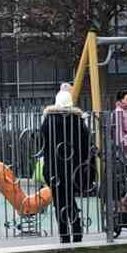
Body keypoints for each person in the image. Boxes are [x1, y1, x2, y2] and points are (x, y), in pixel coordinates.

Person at [41, 90, 94, 244]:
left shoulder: (49, 120)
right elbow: (85, 144)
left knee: (59, 201)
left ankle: (64, 233)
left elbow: (42, 142)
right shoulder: (77, 120)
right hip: (74, 167)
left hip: (54, 167)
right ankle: (76, 229)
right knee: (70, 199)